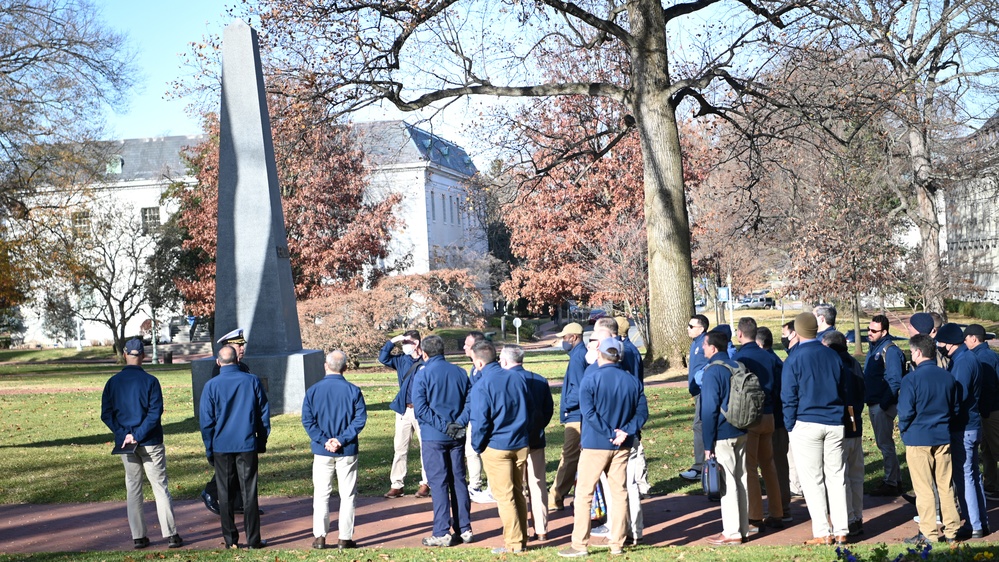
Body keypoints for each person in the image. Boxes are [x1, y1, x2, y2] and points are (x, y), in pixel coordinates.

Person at [558, 338, 647, 558]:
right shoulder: (632, 381)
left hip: (595, 444)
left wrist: (610, 433)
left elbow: (588, 413)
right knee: (619, 493)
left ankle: (580, 544)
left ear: (600, 354)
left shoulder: (591, 378)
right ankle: (617, 543)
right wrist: (625, 431)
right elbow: (642, 413)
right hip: (622, 444)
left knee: (584, 494)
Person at [101, 338, 182, 550]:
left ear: (125, 354)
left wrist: (125, 434)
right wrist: (137, 434)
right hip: (150, 440)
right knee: (159, 487)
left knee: (133, 488)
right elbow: (155, 413)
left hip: (126, 443)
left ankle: (138, 536)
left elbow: (106, 414)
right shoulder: (151, 381)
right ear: (143, 356)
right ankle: (171, 534)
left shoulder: (113, 382)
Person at [782, 312, 849, 545]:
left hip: (807, 422)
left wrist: (790, 425)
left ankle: (823, 532)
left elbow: (788, 396)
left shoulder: (794, 358)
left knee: (813, 480)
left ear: (798, 331)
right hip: (834, 421)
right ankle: (841, 529)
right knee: (836, 476)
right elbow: (843, 388)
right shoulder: (833, 356)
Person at [199, 345, 271, 549]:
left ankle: (231, 539)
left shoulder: (211, 385)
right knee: (249, 492)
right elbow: (263, 414)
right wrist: (261, 440)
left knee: (224, 493)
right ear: (237, 360)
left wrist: (209, 448)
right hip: (246, 443)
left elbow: (206, 423)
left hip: (222, 445)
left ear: (218, 362)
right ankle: (253, 539)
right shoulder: (252, 381)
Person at [469, 341, 533, 554]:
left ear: (479, 362)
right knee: (517, 493)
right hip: (520, 442)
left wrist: (477, 446)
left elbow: (480, 421)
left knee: (505, 497)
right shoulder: (518, 378)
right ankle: (521, 538)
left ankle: (514, 544)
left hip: (497, 446)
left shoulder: (482, 385)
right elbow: (529, 409)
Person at [898, 334, 962, 546]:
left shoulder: (911, 379)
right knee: (946, 485)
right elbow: (955, 408)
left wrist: (903, 430)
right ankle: (952, 530)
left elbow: (906, 411)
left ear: (917, 352)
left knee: (924, 488)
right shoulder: (948, 377)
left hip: (918, 438)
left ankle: (928, 533)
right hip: (942, 436)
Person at [411, 335, 473, 547]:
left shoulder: (423, 374)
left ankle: (441, 531)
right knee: (458, 480)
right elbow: (470, 401)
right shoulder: (460, 372)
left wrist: (445, 426)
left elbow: (421, 409)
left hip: (434, 436)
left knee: (438, 483)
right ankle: (464, 528)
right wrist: (459, 423)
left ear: (424, 353)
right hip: (455, 434)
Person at [302, 350, 367, 550]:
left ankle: (320, 536)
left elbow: (308, 420)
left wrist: (324, 441)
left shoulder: (313, 391)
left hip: (322, 451)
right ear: (345, 367)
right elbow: (359, 420)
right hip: (346, 449)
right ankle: (344, 537)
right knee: (348, 495)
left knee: (321, 494)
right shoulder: (353, 390)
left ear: (325, 365)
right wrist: (340, 440)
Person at [937, 322, 988, 539]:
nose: (938, 346)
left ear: (950, 344)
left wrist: (948, 416)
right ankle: (981, 522)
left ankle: (974, 524)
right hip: (972, 425)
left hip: (964, 427)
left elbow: (959, 395)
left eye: (940, 343)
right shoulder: (967, 358)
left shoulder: (963, 362)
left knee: (965, 476)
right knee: (973, 476)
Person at [732, 317, 783, 531]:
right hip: (770, 414)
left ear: (741, 334)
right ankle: (777, 511)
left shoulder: (740, 357)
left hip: (751, 416)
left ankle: (754, 515)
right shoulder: (768, 356)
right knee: (769, 465)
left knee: (750, 467)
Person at [500, 345, 554, 542]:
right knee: (537, 484)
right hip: (535, 438)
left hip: (513, 440)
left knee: (517, 486)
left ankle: (521, 528)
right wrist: (538, 426)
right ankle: (542, 529)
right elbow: (548, 409)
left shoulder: (504, 380)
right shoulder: (539, 379)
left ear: (505, 361)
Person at [201, 328, 252, 515]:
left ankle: (238, 502)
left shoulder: (243, 367)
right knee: (228, 468)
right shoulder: (219, 370)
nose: (242, 348)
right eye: (239, 345)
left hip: (241, 425)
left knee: (239, 468)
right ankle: (210, 492)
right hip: (226, 426)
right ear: (228, 346)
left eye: (242, 345)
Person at [823, 331, 866, 537]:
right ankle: (857, 517)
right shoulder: (854, 363)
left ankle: (849, 518)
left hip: (842, 424)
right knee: (855, 475)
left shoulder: (835, 365)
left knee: (842, 475)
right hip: (856, 422)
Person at [378, 330, 430, 499]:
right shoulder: (401, 360)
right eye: (403, 344)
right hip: (404, 409)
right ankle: (397, 484)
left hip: (422, 410)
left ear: (416, 344)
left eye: (407, 343)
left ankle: (426, 483)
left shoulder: (427, 361)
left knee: (426, 448)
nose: (404, 346)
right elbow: (383, 357)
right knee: (400, 448)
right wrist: (394, 340)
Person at [864, 314, 905, 497]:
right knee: (884, 444)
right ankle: (894, 480)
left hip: (883, 405)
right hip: (875, 402)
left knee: (885, 444)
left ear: (884, 331)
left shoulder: (890, 350)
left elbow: (895, 381)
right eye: (869, 329)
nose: (870, 333)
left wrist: (883, 404)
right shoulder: (874, 348)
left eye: (874, 330)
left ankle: (891, 482)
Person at [549, 322, 586, 511]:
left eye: (564, 337)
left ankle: (555, 496)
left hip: (576, 416)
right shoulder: (577, 355)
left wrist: (568, 405)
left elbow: (580, 389)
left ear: (574, 337)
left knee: (569, 457)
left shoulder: (578, 357)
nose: (562, 341)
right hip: (575, 414)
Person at [758, 326, 792, 522]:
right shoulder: (778, 362)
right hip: (778, 419)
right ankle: (781, 507)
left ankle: (781, 508)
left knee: (775, 465)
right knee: (778, 464)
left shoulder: (768, 363)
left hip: (773, 418)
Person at [967, 324, 999, 502]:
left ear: (973, 338)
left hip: (991, 411)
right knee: (987, 449)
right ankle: (991, 484)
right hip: (988, 411)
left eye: (966, 338)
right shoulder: (985, 354)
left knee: (996, 448)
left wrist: (985, 411)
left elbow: (988, 387)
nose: (964, 342)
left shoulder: (983, 357)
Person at [680, 314, 710, 481]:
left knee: (699, 426)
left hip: (704, 391)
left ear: (702, 328)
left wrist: (700, 380)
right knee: (699, 426)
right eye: (688, 325)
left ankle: (701, 467)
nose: (688, 328)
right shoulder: (695, 343)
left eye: (691, 326)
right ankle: (701, 465)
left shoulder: (706, 341)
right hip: (698, 392)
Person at [463, 331, 491, 502]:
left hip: (482, 416)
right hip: (474, 415)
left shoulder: (485, 369)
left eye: (467, 344)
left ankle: (492, 486)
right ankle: (475, 484)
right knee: (471, 452)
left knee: (483, 451)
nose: (464, 347)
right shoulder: (473, 367)